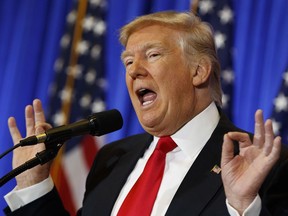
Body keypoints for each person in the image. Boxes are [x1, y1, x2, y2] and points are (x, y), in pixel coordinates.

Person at [3, 11, 288, 216]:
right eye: (128, 60)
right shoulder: (110, 160)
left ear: (199, 71)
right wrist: (33, 186)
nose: (133, 70)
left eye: (152, 55)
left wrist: (242, 208)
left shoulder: (258, 164)